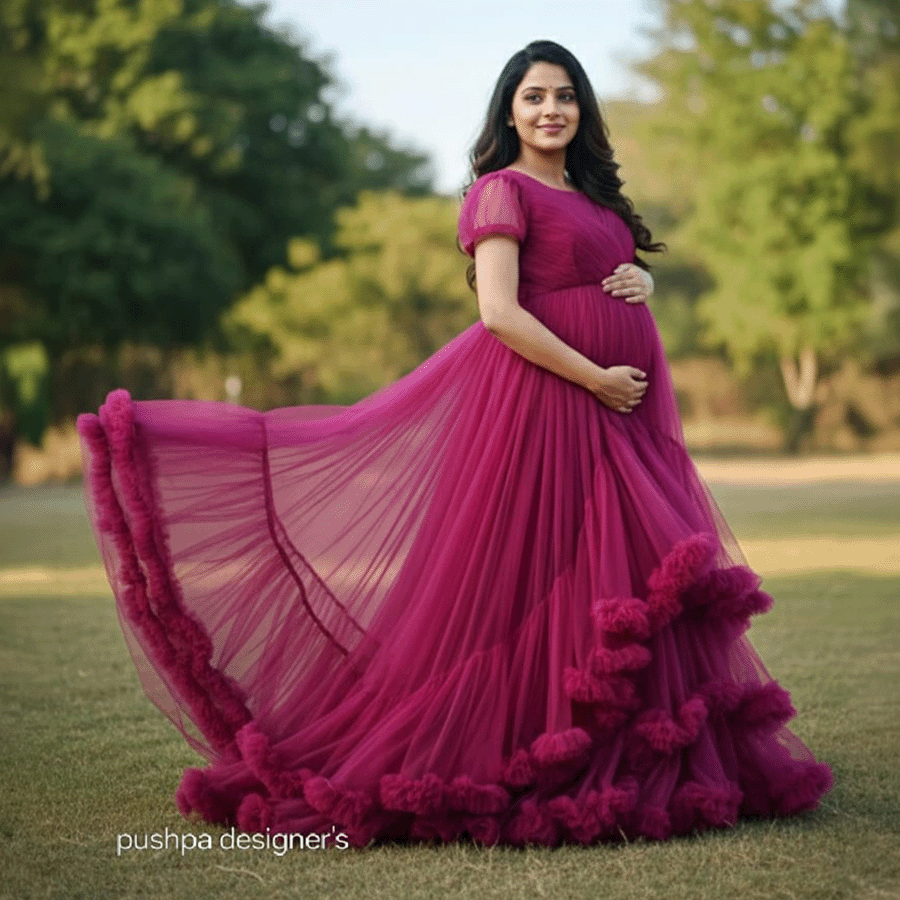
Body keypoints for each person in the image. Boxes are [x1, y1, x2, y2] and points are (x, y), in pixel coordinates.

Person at [77, 39, 833, 849]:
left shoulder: (595, 199)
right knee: (536, 576)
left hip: (618, 416)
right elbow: (501, 314)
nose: (553, 110)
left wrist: (639, 281)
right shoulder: (500, 194)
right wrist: (596, 378)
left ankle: (640, 752)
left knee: (624, 575)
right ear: (509, 109)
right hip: (550, 406)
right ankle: (534, 751)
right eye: (536, 96)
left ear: (584, 110)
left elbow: (612, 273)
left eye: (567, 96)